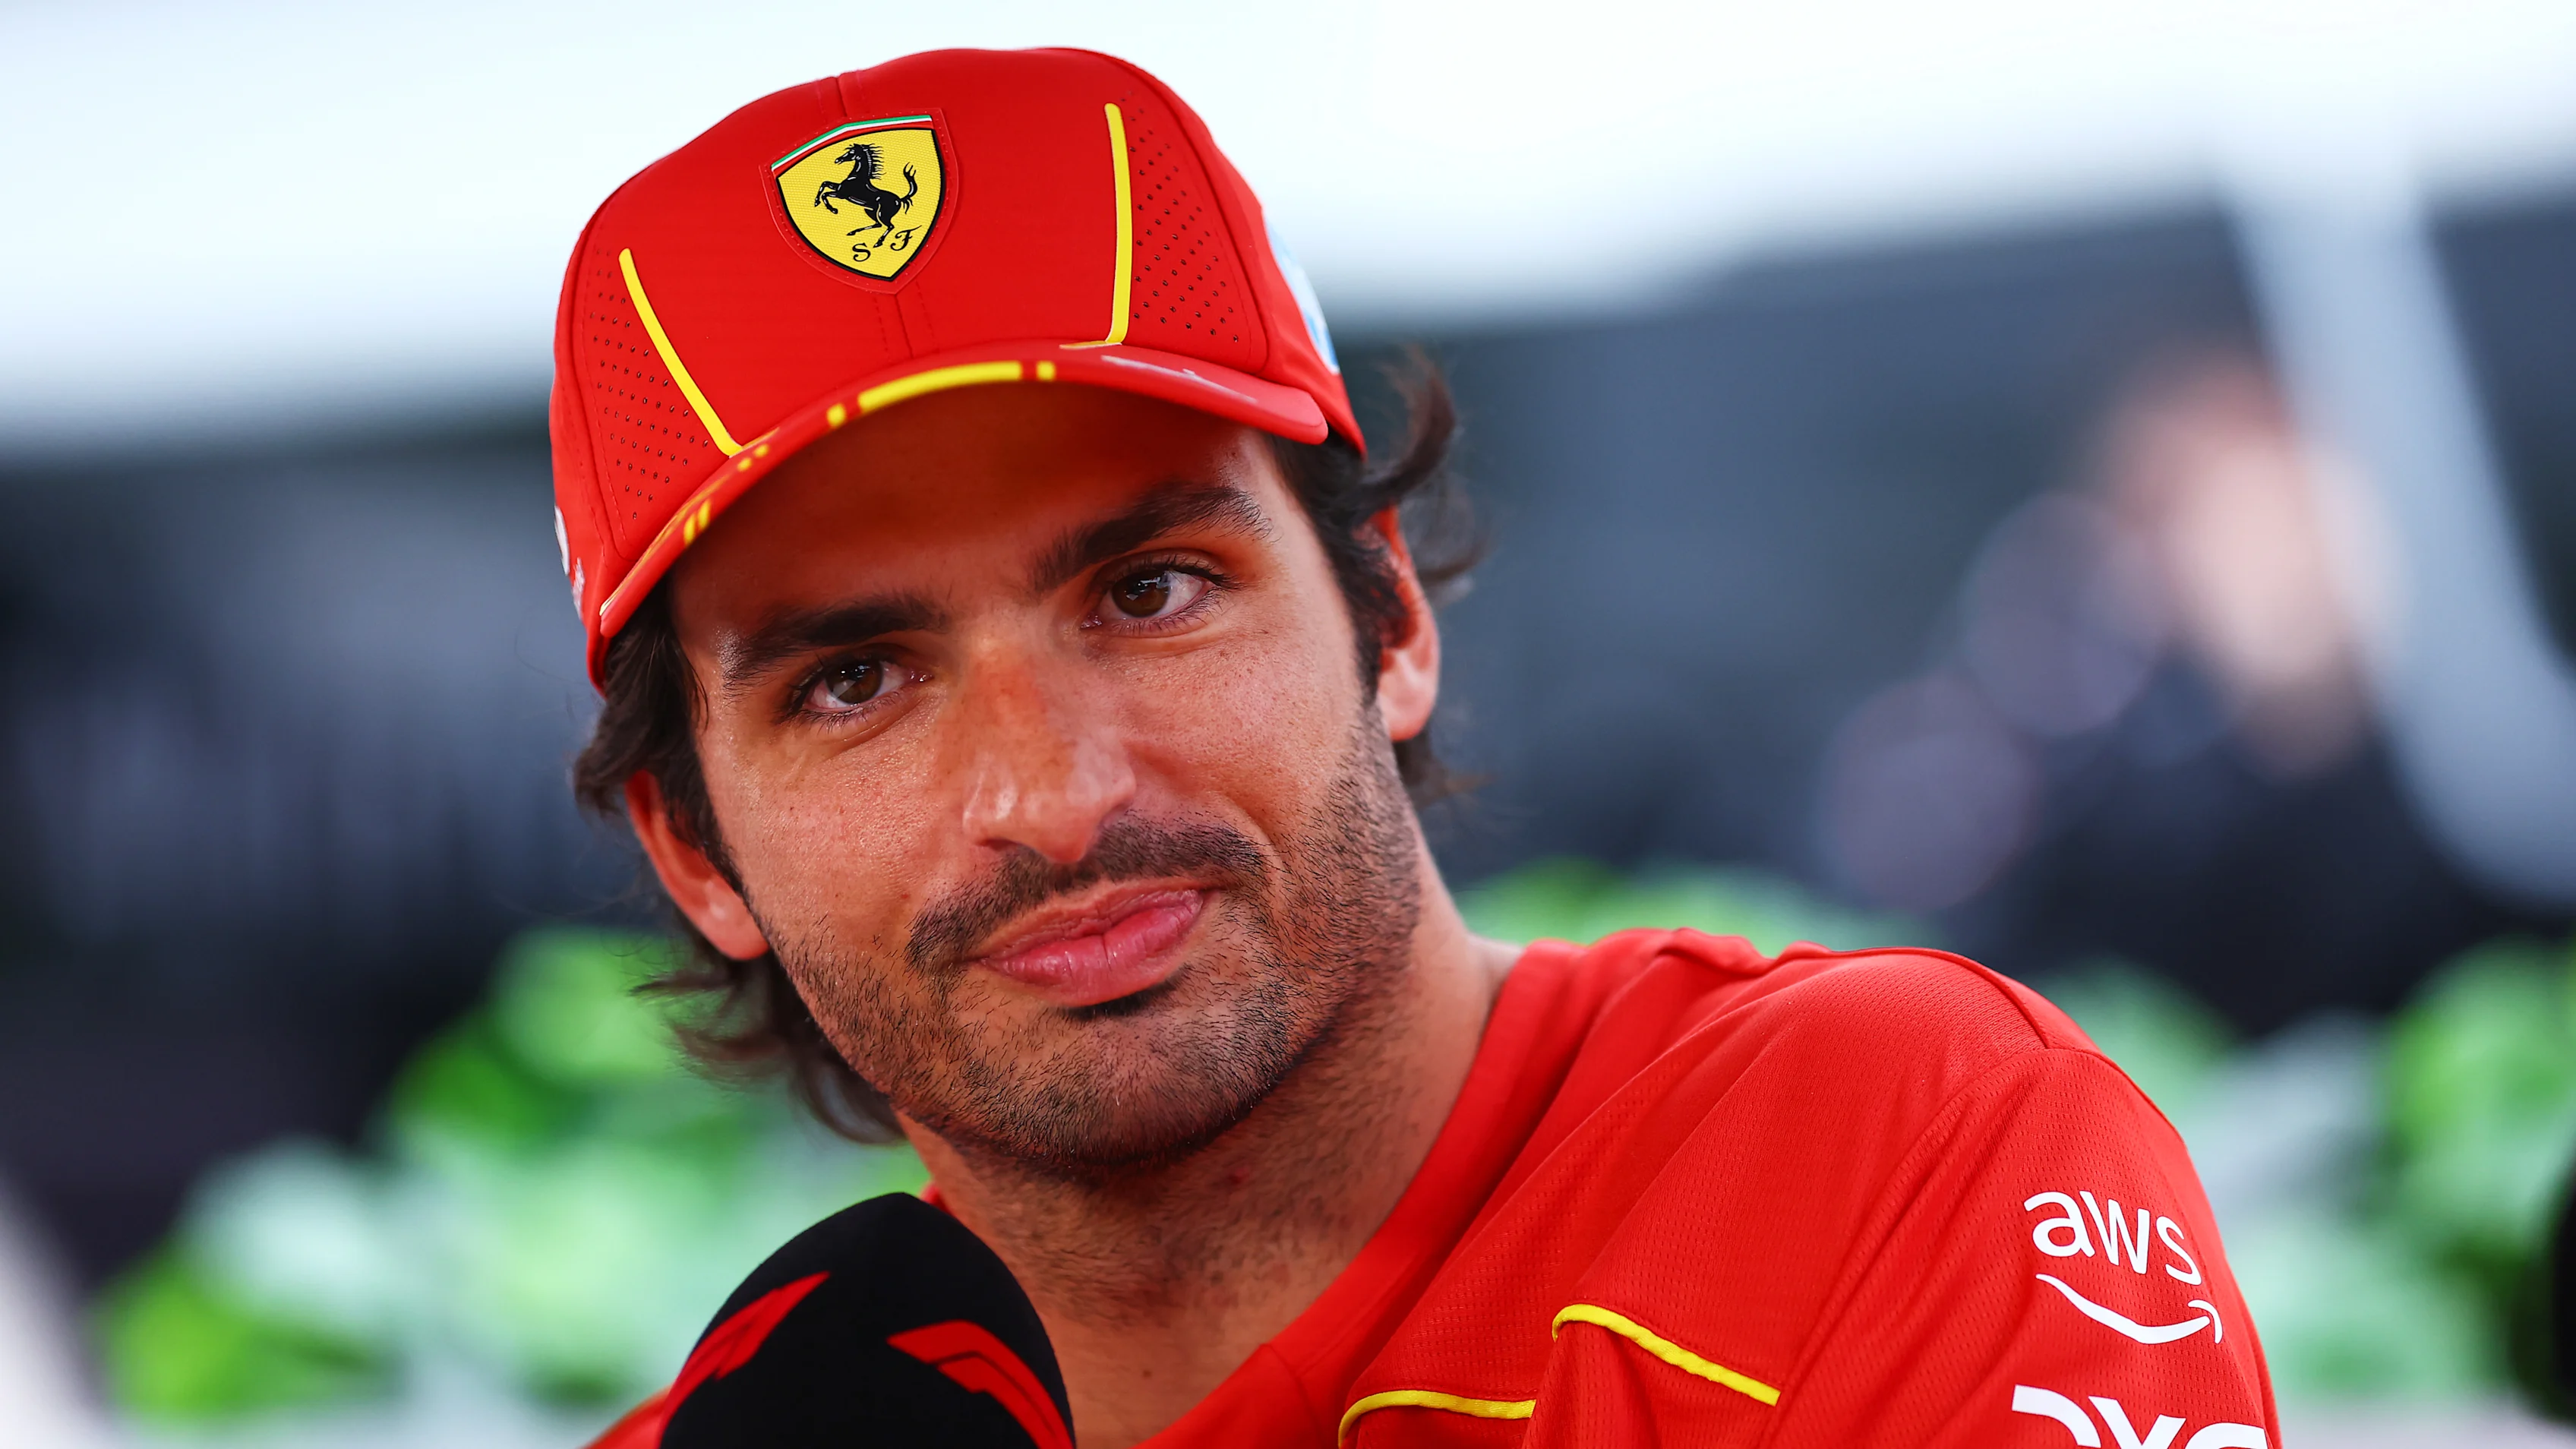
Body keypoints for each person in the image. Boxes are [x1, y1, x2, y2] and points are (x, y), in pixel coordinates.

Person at [554, 46, 2277, 1448]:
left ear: (1390, 619)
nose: (1057, 797)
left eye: (1149, 590)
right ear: (693, 850)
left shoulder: (1884, 1155)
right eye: (854, 683)